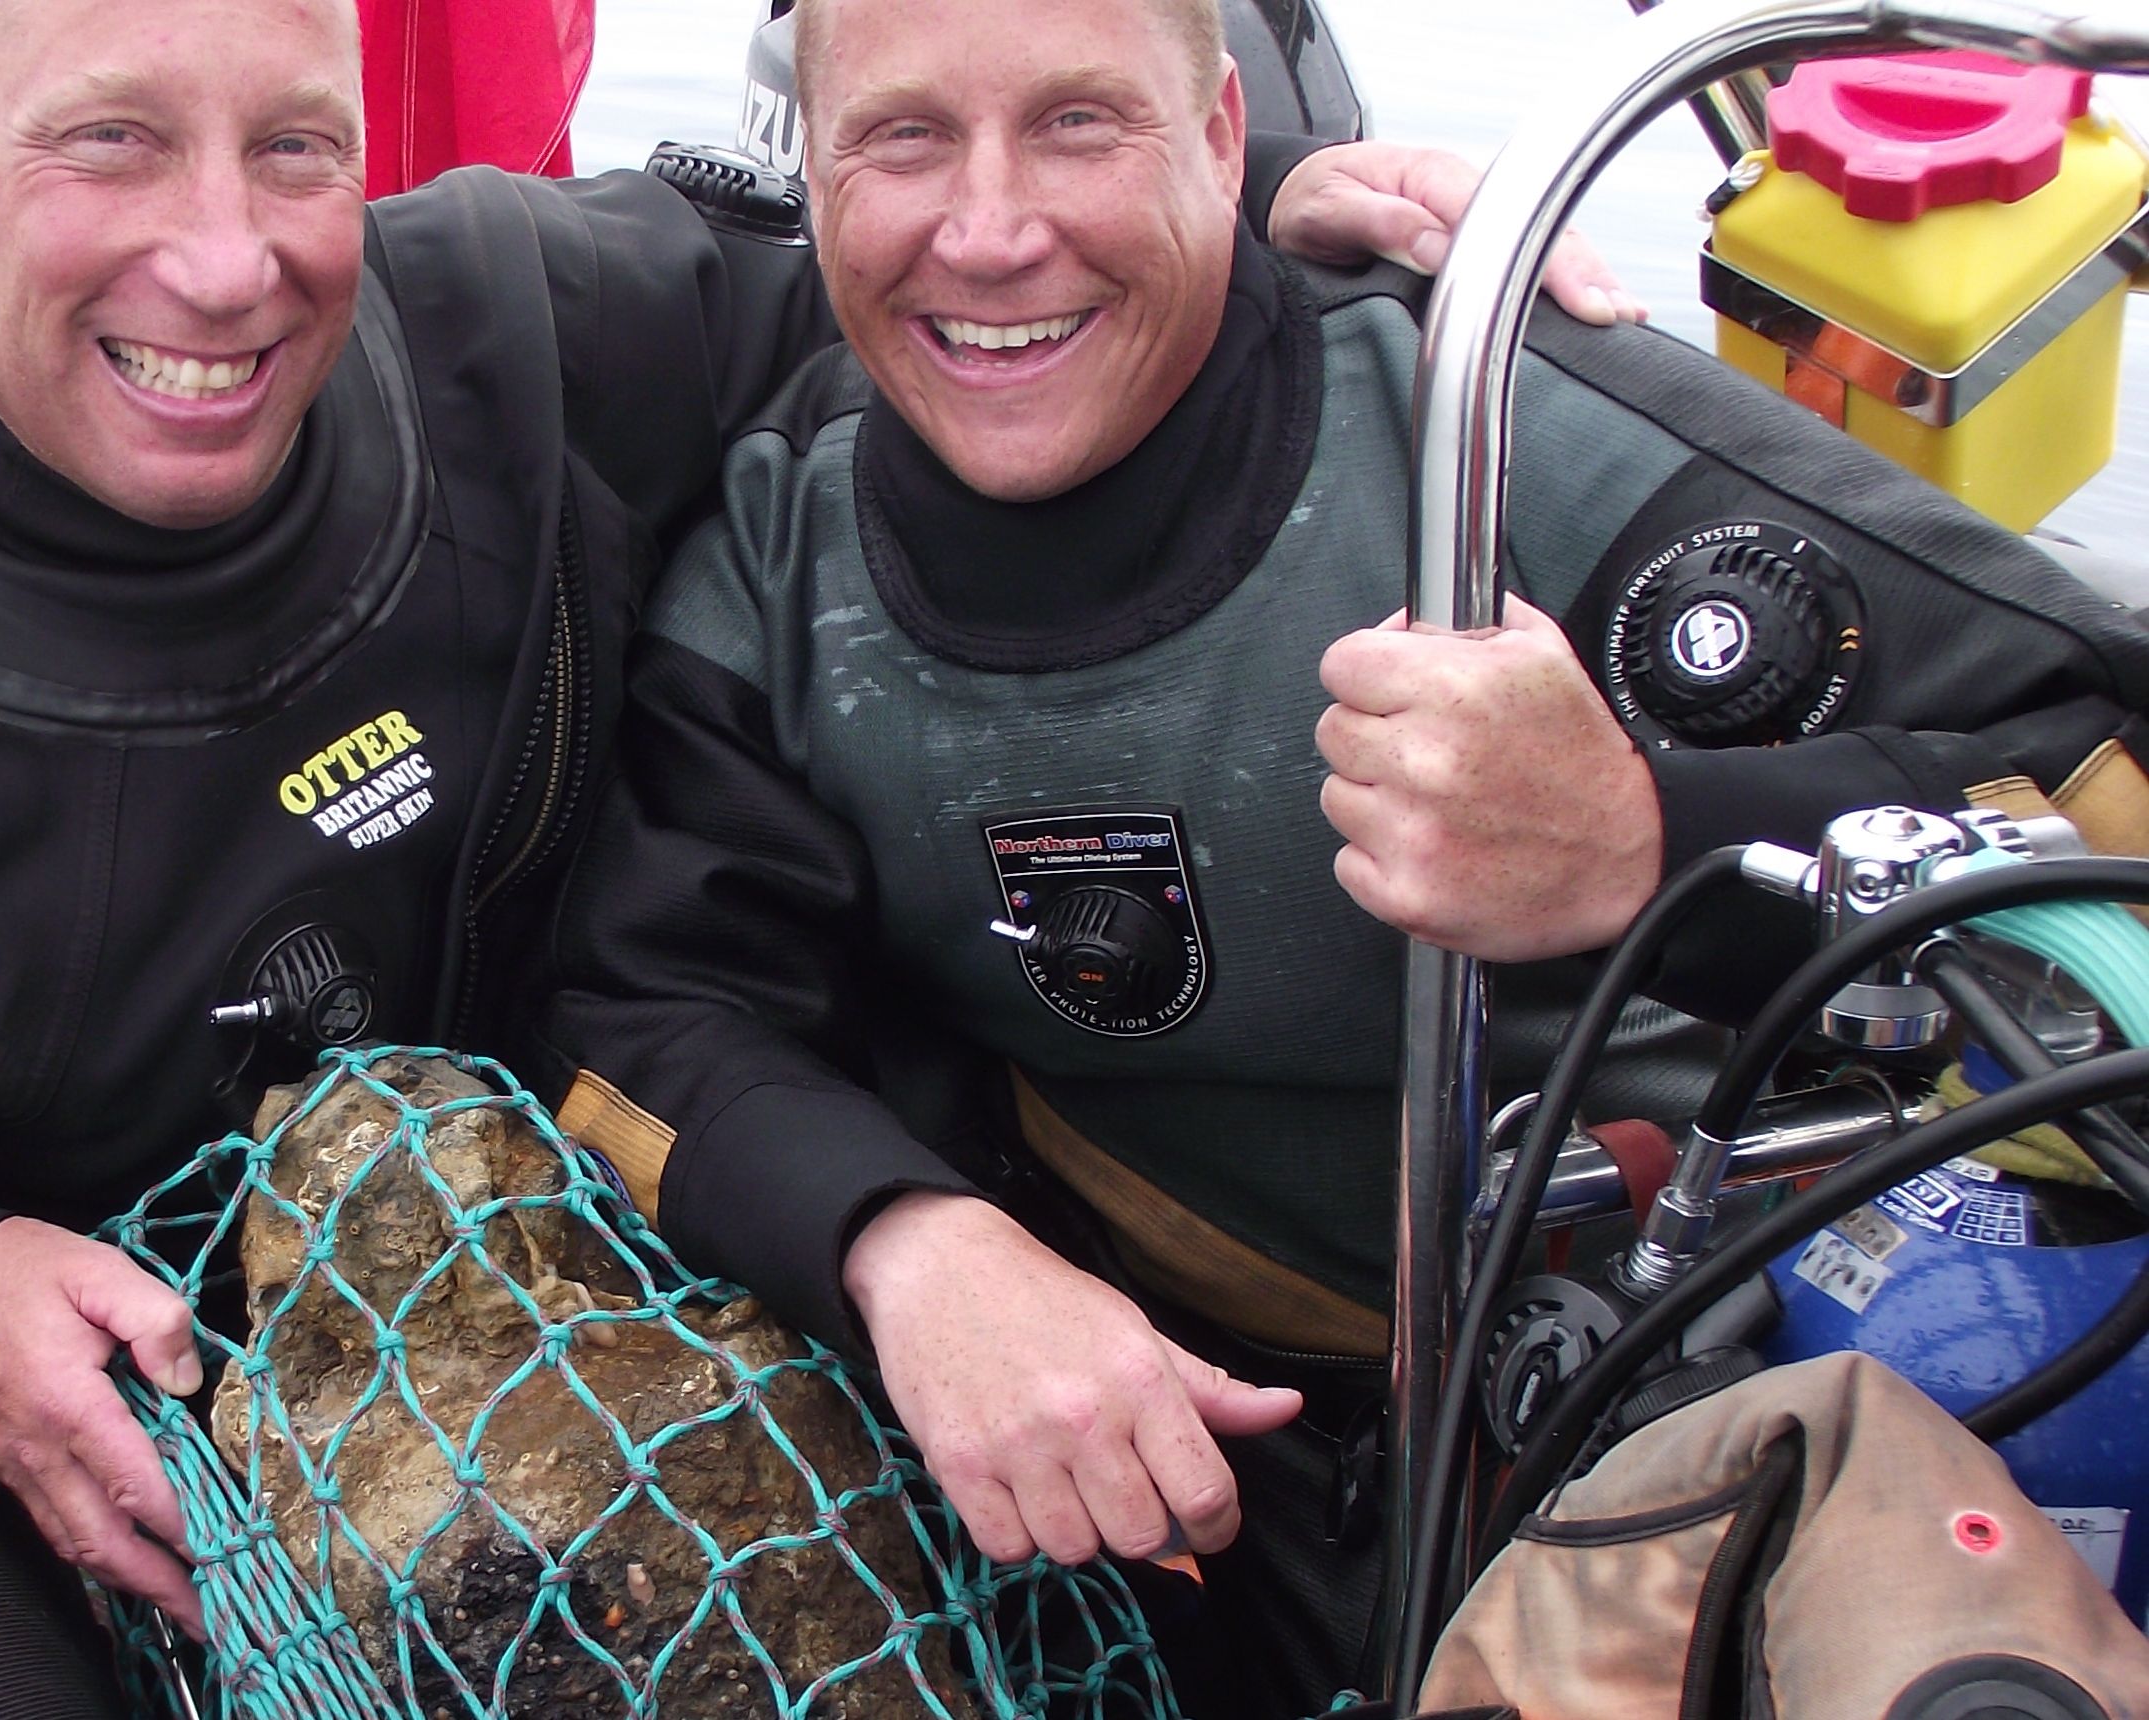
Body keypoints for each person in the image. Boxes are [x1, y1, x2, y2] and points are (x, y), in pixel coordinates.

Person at [0, 0, 1582, 1645]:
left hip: (674, 1278)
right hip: (187, 1517)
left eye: (292, 147)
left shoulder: (512, 329)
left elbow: (926, 283)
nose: (225, 259)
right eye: (108, 144)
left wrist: (1266, 206)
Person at [535, 0, 2149, 1710]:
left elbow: (2100, 779)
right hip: (1186, 1445)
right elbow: (641, 1014)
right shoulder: (782, 567)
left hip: (1705, 1351)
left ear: (1227, 140)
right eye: (905, 140)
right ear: (816, 165)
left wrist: (1654, 847)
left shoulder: (1508, 431)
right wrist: (907, 1244)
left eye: (1083, 123)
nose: (992, 232)